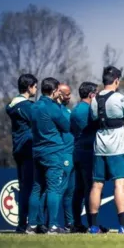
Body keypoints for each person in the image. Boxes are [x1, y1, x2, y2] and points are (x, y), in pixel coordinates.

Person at [89, 66, 124, 234]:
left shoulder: (95, 99)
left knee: (97, 185)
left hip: (99, 147)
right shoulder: (120, 98)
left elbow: (94, 118)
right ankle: (123, 226)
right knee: (120, 184)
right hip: (117, 148)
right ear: (116, 80)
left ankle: (94, 226)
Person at [28, 77, 70, 234]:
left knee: (37, 188)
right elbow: (66, 126)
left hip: (37, 151)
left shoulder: (34, 106)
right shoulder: (53, 107)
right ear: (54, 91)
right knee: (53, 188)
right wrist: (59, 104)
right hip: (53, 152)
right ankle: (52, 225)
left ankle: (31, 225)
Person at [6, 74, 38, 233]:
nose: (36, 89)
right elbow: (38, 120)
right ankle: (27, 224)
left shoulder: (13, 104)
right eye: (35, 86)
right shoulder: (26, 106)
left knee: (24, 186)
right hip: (28, 148)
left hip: (17, 148)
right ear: (29, 87)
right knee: (29, 187)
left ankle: (21, 224)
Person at [70, 82, 99, 232]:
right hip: (88, 152)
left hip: (77, 152)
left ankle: (77, 223)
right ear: (91, 94)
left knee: (79, 189)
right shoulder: (89, 111)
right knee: (90, 189)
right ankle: (91, 225)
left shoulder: (74, 110)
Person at [57, 83, 75, 232]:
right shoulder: (56, 111)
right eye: (67, 94)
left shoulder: (68, 111)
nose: (69, 96)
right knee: (59, 190)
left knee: (70, 192)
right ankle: (52, 223)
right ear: (59, 94)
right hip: (63, 155)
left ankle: (70, 223)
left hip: (73, 154)